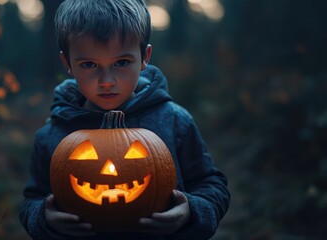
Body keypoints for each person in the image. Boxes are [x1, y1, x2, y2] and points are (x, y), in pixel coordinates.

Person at [19, 0, 230, 239]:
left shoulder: (174, 121)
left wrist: (192, 211)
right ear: (68, 63)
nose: (106, 80)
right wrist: (44, 218)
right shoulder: (53, 134)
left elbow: (211, 184)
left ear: (144, 57)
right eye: (89, 64)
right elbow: (32, 200)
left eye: (121, 63)